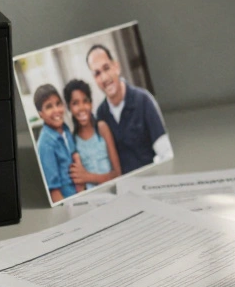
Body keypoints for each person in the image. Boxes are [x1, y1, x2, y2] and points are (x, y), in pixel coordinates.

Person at [81, 44, 172, 175]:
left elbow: (166, 153)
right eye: (97, 73)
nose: (104, 78)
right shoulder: (101, 114)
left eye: (106, 68)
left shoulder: (143, 100)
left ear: (116, 67)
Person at [64, 78, 123, 191]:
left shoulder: (102, 128)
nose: (81, 108)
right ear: (69, 107)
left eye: (85, 101)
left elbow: (117, 173)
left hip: (114, 190)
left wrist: (87, 176)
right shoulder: (73, 140)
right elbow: (79, 182)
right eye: (75, 103)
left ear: (91, 103)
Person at [32, 84, 78, 204]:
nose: (56, 110)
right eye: (49, 107)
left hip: (81, 195)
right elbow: (54, 193)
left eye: (58, 103)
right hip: (69, 204)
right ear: (40, 114)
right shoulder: (45, 145)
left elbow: (74, 154)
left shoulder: (66, 129)